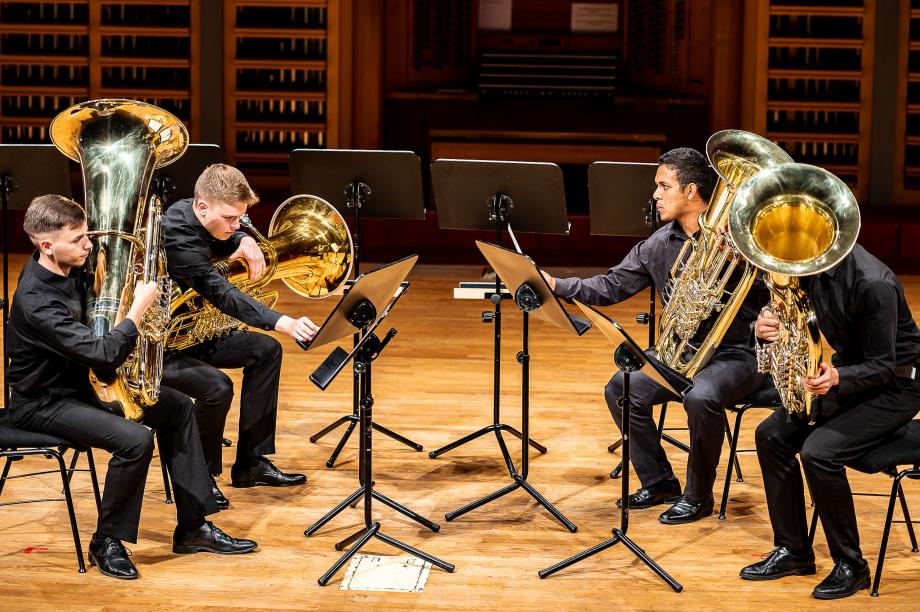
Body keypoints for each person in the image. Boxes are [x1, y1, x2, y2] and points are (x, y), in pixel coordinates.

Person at [6, 195, 257, 580]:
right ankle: (106, 540)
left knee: (176, 407)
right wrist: (138, 309)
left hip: (81, 385)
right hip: (44, 401)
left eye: (86, 235)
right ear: (46, 246)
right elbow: (104, 354)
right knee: (135, 440)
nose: (89, 245)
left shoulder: (70, 268)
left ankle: (193, 527)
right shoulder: (36, 302)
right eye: (77, 239)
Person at [544, 148, 768, 524]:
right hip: (684, 351)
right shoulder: (660, 243)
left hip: (738, 355)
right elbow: (611, 285)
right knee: (621, 386)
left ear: (692, 191)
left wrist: (758, 288)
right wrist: (556, 285)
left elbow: (783, 288)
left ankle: (698, 497)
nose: (655, 195)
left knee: (701, 397)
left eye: (664, 186)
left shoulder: (745, 242)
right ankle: (660, 480)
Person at [740, 244, 920, 599]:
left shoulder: (873, 283)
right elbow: (788, 313)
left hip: (898, 385)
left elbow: (883, 366)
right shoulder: (808, 270)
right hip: (849, 372)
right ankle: (794, 551)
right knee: (770, 435)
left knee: (819, 452)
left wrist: (838, 378)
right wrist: (762, 325)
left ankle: (852, 566)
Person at [162, 163, 317, 508]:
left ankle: (251, 463)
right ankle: (200, 476)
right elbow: (225, 296)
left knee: (265, 351)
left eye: (241, 217)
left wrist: (244, 236)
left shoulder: (204, 213)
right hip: (159, 347)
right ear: (202, 206)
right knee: (217, 387)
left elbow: (235, 230)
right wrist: (284, 322)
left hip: (185, 333)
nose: (236, 224)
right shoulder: (177, 237)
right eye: (231, 218)